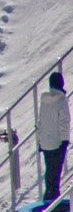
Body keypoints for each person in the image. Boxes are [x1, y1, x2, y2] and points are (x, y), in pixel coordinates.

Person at [38, 71, 70, 201]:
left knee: (49, 172)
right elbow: (64, 121)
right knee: (55, 174)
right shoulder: (61, 99)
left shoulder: (44, 99)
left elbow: (41, 121)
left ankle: (49, 197)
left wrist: (40, 141)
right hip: (57, 143)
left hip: (46, 143)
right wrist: (65, 140)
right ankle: (52, 202)